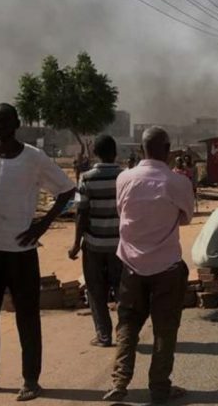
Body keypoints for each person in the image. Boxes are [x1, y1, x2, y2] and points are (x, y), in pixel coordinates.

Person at [0, 103, 75, 401]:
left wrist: (42, 225)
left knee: (27, 316)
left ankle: (30, 379)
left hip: (21, 252)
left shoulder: (34, 158)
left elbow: (66, 190)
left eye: (4, 120)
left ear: (17, 123)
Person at [103, 127, 194, 404]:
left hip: (130, 265)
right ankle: (159, 389)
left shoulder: (124, 178)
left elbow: (122, 212)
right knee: (164, 330)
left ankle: (120, 382)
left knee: (127, 324)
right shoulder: (177, 182)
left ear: (142, 149)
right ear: (167, 151)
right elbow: (187, 218)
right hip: (166, 267)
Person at [69, 134, 123, 348]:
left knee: (96, 290)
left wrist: (75, 244)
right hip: (120, 245)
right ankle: (126, 334)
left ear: (95, 154)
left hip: (93, 245)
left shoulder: (87, 177)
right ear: (115, 152)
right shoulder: (125, 177)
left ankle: (103, 336)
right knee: (121, 290)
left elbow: (81, 213)